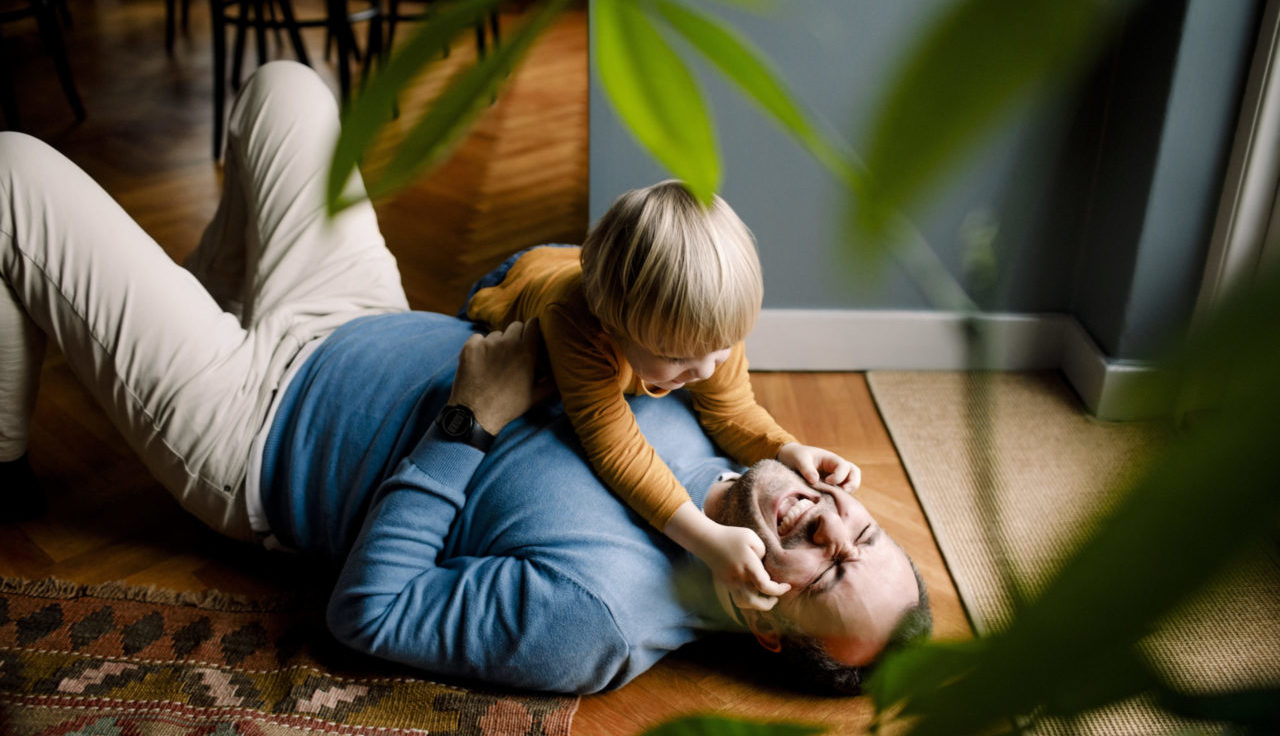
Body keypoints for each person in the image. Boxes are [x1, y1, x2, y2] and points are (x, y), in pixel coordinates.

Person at [0, 61, 929, 694]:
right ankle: (193, 303)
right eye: (867, 535)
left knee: (12, 176)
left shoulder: (597, 619)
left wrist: (468, 421)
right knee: (286, 89)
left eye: (827, 572)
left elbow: (367, 615)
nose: (834, 525)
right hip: (360, 313)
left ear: (767, 620)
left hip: (254, 430)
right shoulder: (716, 417)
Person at [461, 183, 859, 612]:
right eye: (675, 357)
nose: (705, 370)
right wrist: (705, 538)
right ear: (611, 326)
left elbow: (732, 411)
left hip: (588, 264)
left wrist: (786, 448)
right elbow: (616, 448)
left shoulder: (707, 327)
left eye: (721, 350)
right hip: (523, 278)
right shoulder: (576, 325)